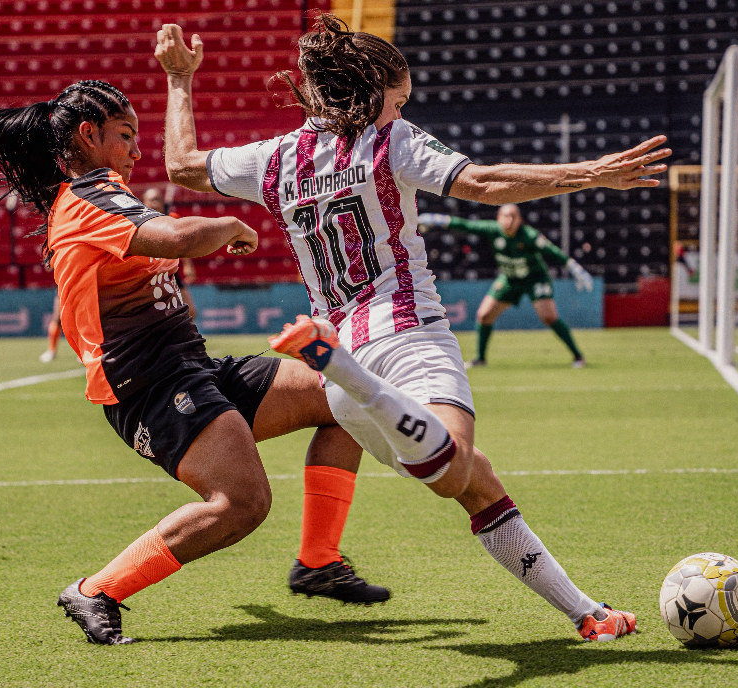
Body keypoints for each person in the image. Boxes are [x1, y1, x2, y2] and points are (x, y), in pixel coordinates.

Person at [157, 16, 669, 642]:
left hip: (344, 366)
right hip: (406, 338)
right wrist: (592, 173)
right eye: (398, 100)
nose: (401, 111)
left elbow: (182, 164)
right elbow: (482, 182)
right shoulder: (388, 140)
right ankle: (347, 372)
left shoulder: (273, 158)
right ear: (371, 93)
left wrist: (179, 79)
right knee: (453, 471)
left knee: (476, 482)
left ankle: (587, 614)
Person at [0, 78, 388, 646]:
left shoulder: (102, 194)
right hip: (147, 386)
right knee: (242, 503)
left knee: (344, 396)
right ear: (88, 134)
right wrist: (229, 224)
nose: (138, 150)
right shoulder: (90, 197)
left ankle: (317, 561)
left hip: (191, 370)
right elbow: (174, 237)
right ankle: (96, 589)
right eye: (126, 135)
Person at [417, 205, 591, 367]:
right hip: (509, 279)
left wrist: (575, 269)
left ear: (520, 220)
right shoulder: (493, 230)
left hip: (535, 279)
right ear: (498, 218)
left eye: (513, 216)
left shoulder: (529, 235)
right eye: (506, 216)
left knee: (549, 317)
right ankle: (480, 359)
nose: (509, 220)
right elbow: (466, 225)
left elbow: (552, 251)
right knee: (484, 315)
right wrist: (439, 219)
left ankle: (578, 356)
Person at [142, 187, 198, 321]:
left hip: (170, 271)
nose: (155, 203)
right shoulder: (139, 223)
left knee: (190, 311)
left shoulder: (172, 219)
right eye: (151, 200)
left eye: (158, 200)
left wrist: (188, 266)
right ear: (144, 203)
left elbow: (182, 243)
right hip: (148, 274)